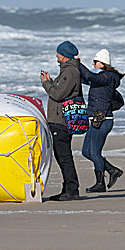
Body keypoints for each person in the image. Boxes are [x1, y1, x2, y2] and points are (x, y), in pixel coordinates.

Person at [40, 41, 84, 201]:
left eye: (58, 53)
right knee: (61, 156)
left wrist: (46, 83)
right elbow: (59, 91)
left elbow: (58, 95)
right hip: (58, 120)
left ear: (64, 56)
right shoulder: (67, 71)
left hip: (61, 121)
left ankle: (72, 190)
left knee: (64, 157)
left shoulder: (70, 72)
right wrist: (50, 81)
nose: (56, 55)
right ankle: (68, 189)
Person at [78, 49, 125, 193]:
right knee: (86, 151)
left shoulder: (108, 77)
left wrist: (78, 63)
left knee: (95, 152)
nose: (93, 64)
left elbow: (89, 75)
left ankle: (100, 184)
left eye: (95, 62)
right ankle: (112, 170)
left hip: (103, 119)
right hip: (95, 119)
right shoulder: (100, 77)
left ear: (102, 63)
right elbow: (86, 77)